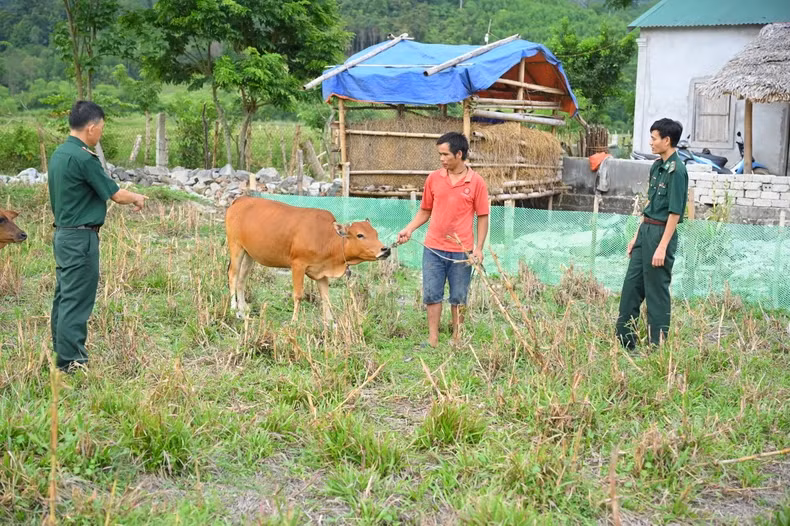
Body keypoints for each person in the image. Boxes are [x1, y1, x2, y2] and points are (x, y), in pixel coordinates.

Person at [48, 100, 147, 372]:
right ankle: (71, 361)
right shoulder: (83, 157)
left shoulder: (59, 153)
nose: (100, 133)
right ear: (91, 128)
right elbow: (115, 194)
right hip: (81, 239)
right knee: (77, 299)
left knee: (65, 295)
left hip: (64, 235)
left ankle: (60, 349)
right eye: (101, 128)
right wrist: (137, 196)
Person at [397, 132, 489, 347]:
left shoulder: (476, 183)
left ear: (459, 154)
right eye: (440, 154)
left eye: (445, 154)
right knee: (432, 293)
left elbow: (483, 217)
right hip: (433, 248)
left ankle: (457, 338)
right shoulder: (434, 179)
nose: (441, 159)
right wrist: (408, 229)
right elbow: (425, 210)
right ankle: (433, 338)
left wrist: (479, 248)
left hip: (461, 250)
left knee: (458, 295)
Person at [616, 118, 688, 349]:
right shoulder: (657, 166)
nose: (650, 142)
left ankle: (657, 347)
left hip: (661, 234)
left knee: (656, 293)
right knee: (631, 289)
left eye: (654, 138)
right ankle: (625, 343)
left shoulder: (678, 171)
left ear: (667, 140)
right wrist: (636, 237)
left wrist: (662, 246)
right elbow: (650, 205)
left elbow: (675, 213)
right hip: (646, 230)